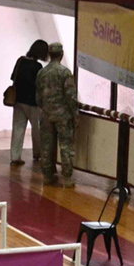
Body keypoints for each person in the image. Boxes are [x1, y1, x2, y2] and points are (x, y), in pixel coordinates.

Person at [37, 42, 79, 186]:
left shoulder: (41, 73)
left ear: (49, 55)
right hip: (63, 116)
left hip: (46, 115)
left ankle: (47, 176)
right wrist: (75, 115)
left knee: (47, 146)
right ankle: (67, 178)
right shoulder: (65, 72)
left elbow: (38, 97)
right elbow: (70, 96)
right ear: (61, 55)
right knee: (66, 146)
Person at [7, 39, 47, 168]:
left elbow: (13, 77)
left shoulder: (20, 61)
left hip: (18, 100)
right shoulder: (38, 67)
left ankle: (15, 156)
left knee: (18, 128)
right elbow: (40, 86)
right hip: (33, 103)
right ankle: (37, 153)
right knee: (37, 129)